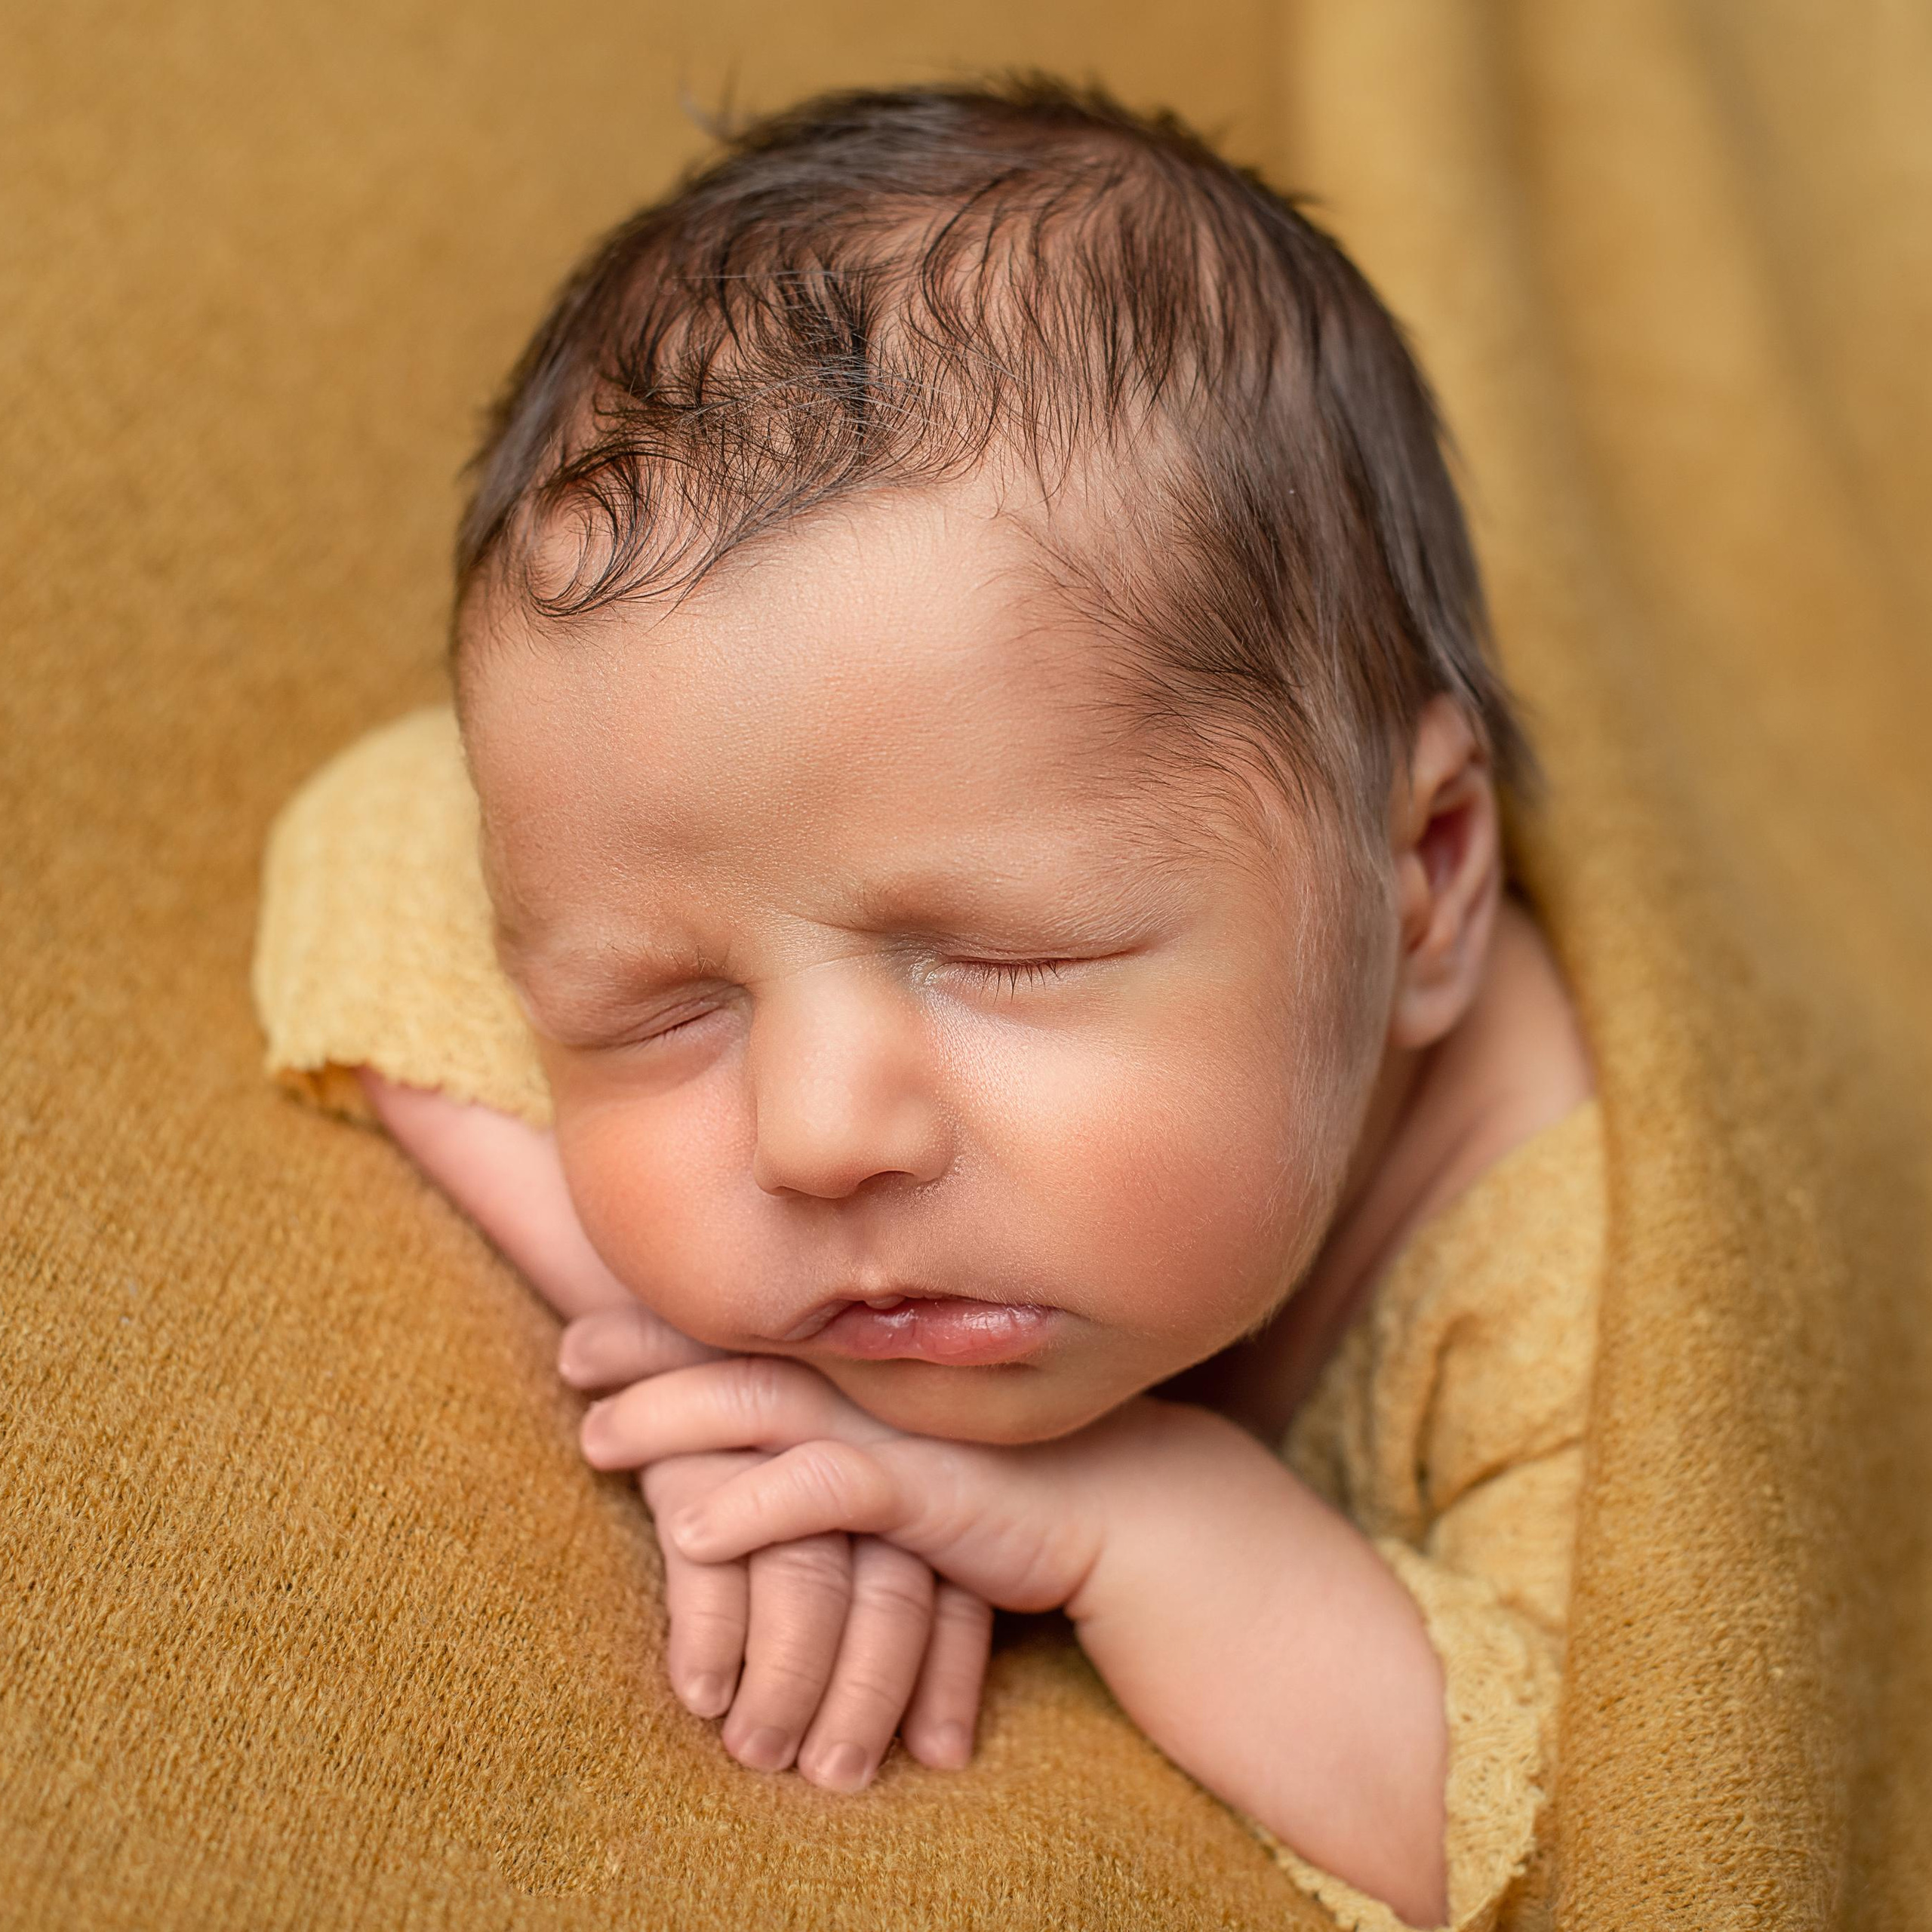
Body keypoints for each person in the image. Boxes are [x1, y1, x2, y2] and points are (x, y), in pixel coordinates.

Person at [294, 76, 1599, 1930]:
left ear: (1422, 882)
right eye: (662, 1007)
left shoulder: (1568, 1259)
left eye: (1005, 957)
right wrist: (723, 1369)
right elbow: (356, 837)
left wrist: (1136, 1510)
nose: (816, 1131)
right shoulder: (735, 856)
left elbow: (1637, 1838)